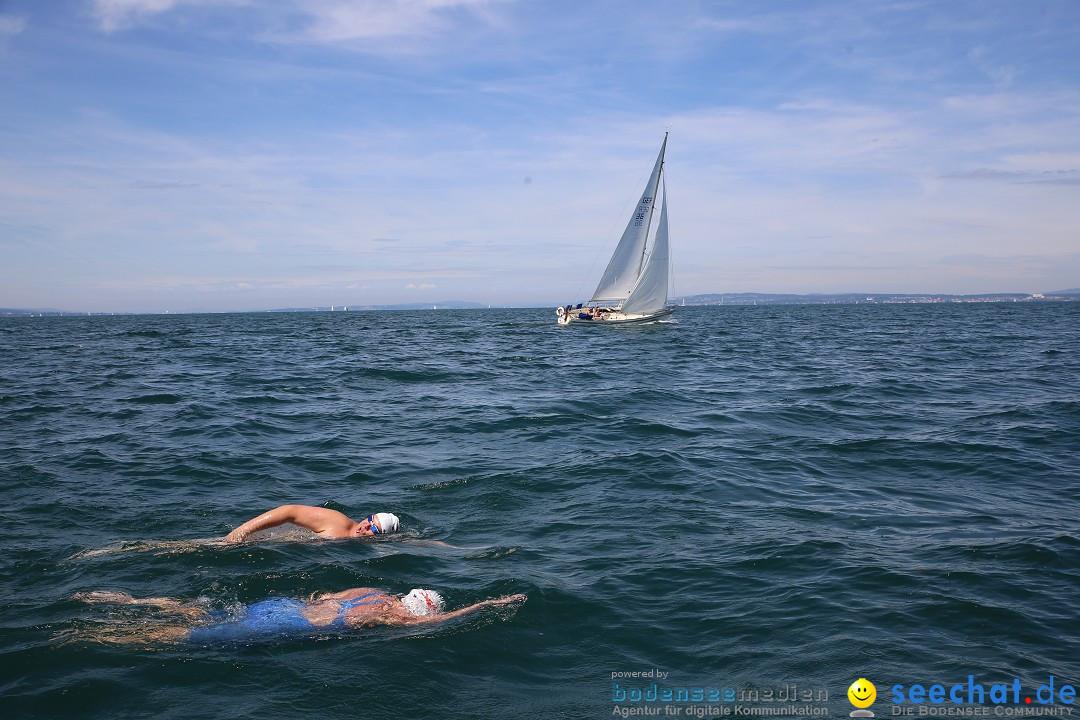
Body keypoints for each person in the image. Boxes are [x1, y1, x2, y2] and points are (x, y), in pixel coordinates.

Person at [73, 588, 526, 645]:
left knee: (199, 609)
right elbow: (435, 624)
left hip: (286, 607)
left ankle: (128, 601)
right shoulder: (399, 619)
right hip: (293, 626)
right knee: (185, 635)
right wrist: (485, 605)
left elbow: (324, 593)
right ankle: (100, 638)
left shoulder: (374, 591)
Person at [223, 505, 400, 542]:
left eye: (374, 528)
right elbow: (289, 511)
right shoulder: (337, 521)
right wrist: (241, 532)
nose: (366, 526)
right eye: (369, 520)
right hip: (257, 543)